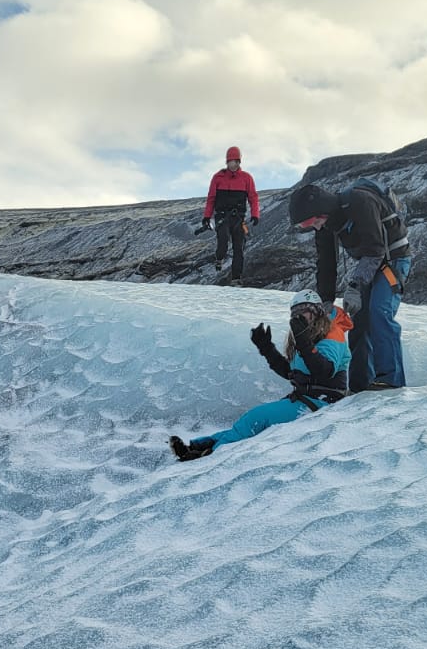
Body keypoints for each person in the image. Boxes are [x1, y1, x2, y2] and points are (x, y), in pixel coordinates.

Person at [169, 292, 351, 461]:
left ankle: (210, 456)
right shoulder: (308, 336)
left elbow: (324, 370)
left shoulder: (331, 334)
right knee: (246, 424)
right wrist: (266, 348)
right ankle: (197, 446)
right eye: (295, 312)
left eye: (304, 311)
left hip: (323, 402)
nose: (299, 316)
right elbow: (291, 373)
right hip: (308, 399)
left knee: (255, 418)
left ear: (316, 312)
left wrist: (303, 341)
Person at [287, 179, 410, 390]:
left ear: (321, 210)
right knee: (358, 322)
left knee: (379, 313)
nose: (314, 227)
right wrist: (325, 300)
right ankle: (359, 386)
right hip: (368, 265)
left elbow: (375, 248)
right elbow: (326, 264)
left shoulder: (359, 201)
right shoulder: (325, 225)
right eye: (306, 226)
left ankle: (391, 381)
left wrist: (354, 285)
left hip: (393, 261)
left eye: (311, 222)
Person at [201, 145, 261, 285]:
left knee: (238, 248)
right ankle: (219, 258)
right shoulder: (218, 178)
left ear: (239, 162)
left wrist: (255, 214)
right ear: (227, 162)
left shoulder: (247, 178)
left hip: (239, 218)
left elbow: (253, 197)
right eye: (230, 161)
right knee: (222, 241)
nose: (233, 164)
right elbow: (211, 199)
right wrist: (206, 217)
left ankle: (236, 279)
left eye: (235, 161)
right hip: (222, 216)